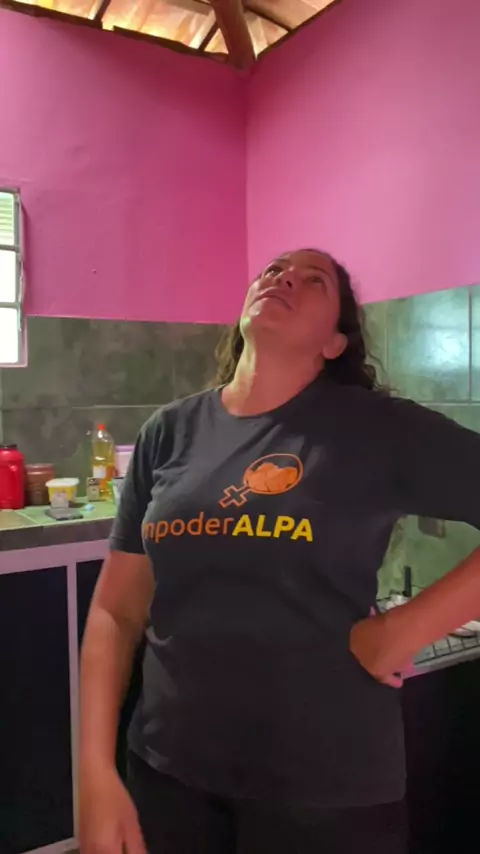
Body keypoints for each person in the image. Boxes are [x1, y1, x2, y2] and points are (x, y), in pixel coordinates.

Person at [79, 249, 480, 854]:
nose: (284, 277)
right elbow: (117, 610)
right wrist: (93, 771)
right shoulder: (169, 431)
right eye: (273, 270)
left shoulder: (378, 429)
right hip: (169, 774)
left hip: (326, 793)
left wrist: (405, 631)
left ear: (335, 342)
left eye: (313, 280)